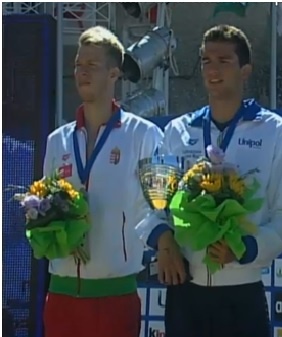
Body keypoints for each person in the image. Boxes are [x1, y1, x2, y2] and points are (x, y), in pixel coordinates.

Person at [148, 24, 282, 337]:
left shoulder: (274, 130)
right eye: (206, 61)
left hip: (242, 293)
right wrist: (164, 242)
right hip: (184, 292)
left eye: (223, 61)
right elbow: (155, 203)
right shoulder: (177, 131)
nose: (212, 70)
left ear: (245, 70)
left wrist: (247, 248)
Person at [42, 26, 167, 337]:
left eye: (92, 66)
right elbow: (44, 206)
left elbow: (161, 207)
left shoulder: (146, 135)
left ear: (114, 74)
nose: (82, 72)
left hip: (115, 296)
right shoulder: (57, 140)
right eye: (78, 65)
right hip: (60, 294)